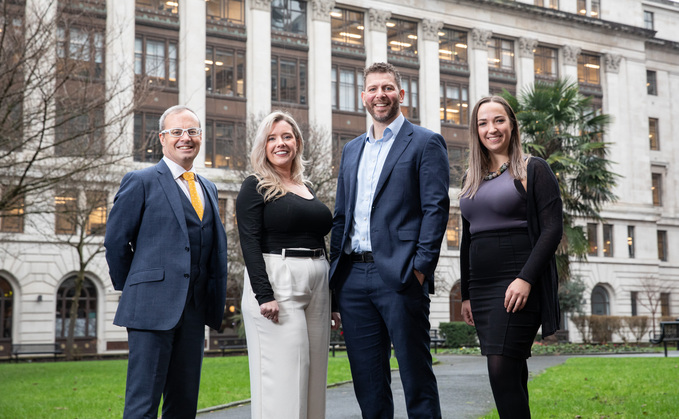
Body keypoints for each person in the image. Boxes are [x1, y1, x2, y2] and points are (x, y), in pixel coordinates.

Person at [329, 62, 450, 419]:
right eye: (373, 89)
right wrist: (337, 282)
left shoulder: (426, 142)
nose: (380, 95)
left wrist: (420, 270)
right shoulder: (351, 150)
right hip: (353, 279)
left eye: (387, 87)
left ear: (400, 94)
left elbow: (436, 209)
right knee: (368, 382)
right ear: (362, 97)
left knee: (416, 377)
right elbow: (341, 217)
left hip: (400, 277)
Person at [104, 105, 228, 418]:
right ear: (162, 138)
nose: (185, 138)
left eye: (192, 132)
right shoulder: (140, 181)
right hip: (150, 309)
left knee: (184, 404)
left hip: (194, 311)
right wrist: (136, 287)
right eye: (177, 132)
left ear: (200, 137)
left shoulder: (208, 188)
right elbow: (116, 242)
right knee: (143, 404)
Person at [459, 96, 562, 418]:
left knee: (501, 369)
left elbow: (552, 230)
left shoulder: (533, 169)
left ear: (512, 124)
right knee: (512, 371)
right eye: (483, 123)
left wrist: (525, 278)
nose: (492, 129)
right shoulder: (471, 177)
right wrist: (466, 295)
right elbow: (467, 238)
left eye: (499, 120)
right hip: (482, 288)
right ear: (476, 131)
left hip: (517, 281)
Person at [236, 110, 341, 419]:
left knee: (313, 378)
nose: (280, 143)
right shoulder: (254, 185)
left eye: (286, 136)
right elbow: (249, 242)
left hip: (318, 282)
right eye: (272, 138)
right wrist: (263, 295)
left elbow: (320, 240)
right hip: (278, 280)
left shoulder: (305, 187)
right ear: (263, 146)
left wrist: (334, 299)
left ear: (298, 142)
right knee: (285, 378)